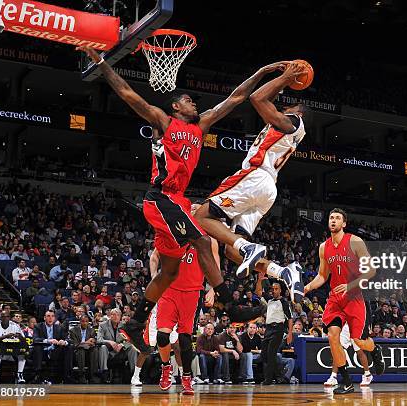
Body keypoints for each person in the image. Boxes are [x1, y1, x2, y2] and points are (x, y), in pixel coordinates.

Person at [77, 45, 287, 353]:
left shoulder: (200, 126)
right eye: (189, 100)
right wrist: (103, 63)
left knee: (170, 270)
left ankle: (134, 323)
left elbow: (236, 98)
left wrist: (263, 71)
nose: (194, 104)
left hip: (173, 202)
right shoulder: (163, 121)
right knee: (202, 241)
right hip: (160, 198)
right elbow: (127, 93)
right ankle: (231, 307)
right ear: (176, 106)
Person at [194, 62, 309, 304]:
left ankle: (250, 248)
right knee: (232, 251)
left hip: (255, 176)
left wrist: (286, 77)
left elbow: (257, 98)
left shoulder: (293, 122)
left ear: (299, 112)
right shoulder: (286, 126)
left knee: (202, 216)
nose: (286, 103)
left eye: (291, 104)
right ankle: (284, 272)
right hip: (267, 190)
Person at [304, 208, 385, 395]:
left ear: (344, 223)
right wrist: (308, 287)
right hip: (335, 298)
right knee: (333, 337)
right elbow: (322, 275)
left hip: (354, 297)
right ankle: (346, 381)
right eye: (331, 217)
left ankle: (375, 349)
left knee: (359, 341)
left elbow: (371, 270)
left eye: (337, 218)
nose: (333, 220)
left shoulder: (355, 241)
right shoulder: (324, 247)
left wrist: (350, 285)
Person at [149, 242, 215, 395]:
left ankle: (186, 376)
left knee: (185, 339)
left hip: (192, 293)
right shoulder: (170, 232)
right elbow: (154, 256)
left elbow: (213, 263)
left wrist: (212, 287)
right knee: (162, 335)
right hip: (168, 290)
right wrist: (154, 277)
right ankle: (166, 367)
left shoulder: (202, 238)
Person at [255, 278, 293, 385]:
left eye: (276, 289)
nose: (274, 290)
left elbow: (290, 318)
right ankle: (280, 376)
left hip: (278, 329)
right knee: (264, 355)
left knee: (271, 353)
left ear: (280, 290)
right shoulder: (269, 300)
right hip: (268, 329)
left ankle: (268, 379)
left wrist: (290, 333)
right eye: (273, 289)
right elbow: (258, 292)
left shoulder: (284, 302)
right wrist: (259, 280)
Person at [324, 323, 373, 387]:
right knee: (337, 350)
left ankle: (367, 375)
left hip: (356, 326)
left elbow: (367, 315)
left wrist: (368, 327)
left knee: (359, 351)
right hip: (344, 327)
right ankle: (333, 377)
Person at [32, 310, 73, 384]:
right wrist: (48, 340)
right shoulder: (38, 326)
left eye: (52, 316)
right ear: (44, 318)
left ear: (54, 318)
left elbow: (68, 339)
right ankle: (37, 375)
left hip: (55, 351)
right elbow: (35, 339)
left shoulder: (59, 328)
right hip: (43, 351)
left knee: (68, 348)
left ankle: (67, 376)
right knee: (37, 347)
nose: (50, 318)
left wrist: (64, 342)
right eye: (48, 316)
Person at [97, 308, 138, 383]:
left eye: (118, 315)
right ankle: (104, 373)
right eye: (113, 314)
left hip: (121, 351)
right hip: (109, 352)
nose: (115, 316)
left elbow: (131, 340)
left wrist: (122, 345)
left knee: (132, 348)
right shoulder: (103, 325)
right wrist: (110, 342)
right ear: (110, 316)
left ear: (120, 316)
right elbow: (99, 339)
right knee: (103, 347)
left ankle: (134, 374)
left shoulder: (124, 325)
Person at [0, 311, 27, 384]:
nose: (5, 318)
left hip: (13, 350)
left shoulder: (15, 325)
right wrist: (5, 336)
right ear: (0, 318)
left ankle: (20, 374)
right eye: (3, 317)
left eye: (6, 316)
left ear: (9, 317)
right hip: (0, 350)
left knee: (23, 347)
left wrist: (19, 336)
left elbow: (23, 338)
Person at [69, 315, 99, 383]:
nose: (85, 323)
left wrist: (93, 341)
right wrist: (85, 342)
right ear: (80, 322)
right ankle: (81, 375)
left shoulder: (91, 330)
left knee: (94, 349)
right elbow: (75, 344)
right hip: (77, 351)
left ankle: (93, 375)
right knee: (81, 350)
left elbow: (94, 342)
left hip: (89, 350)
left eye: (86, 321)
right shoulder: (73, 330)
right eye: (83, 321)